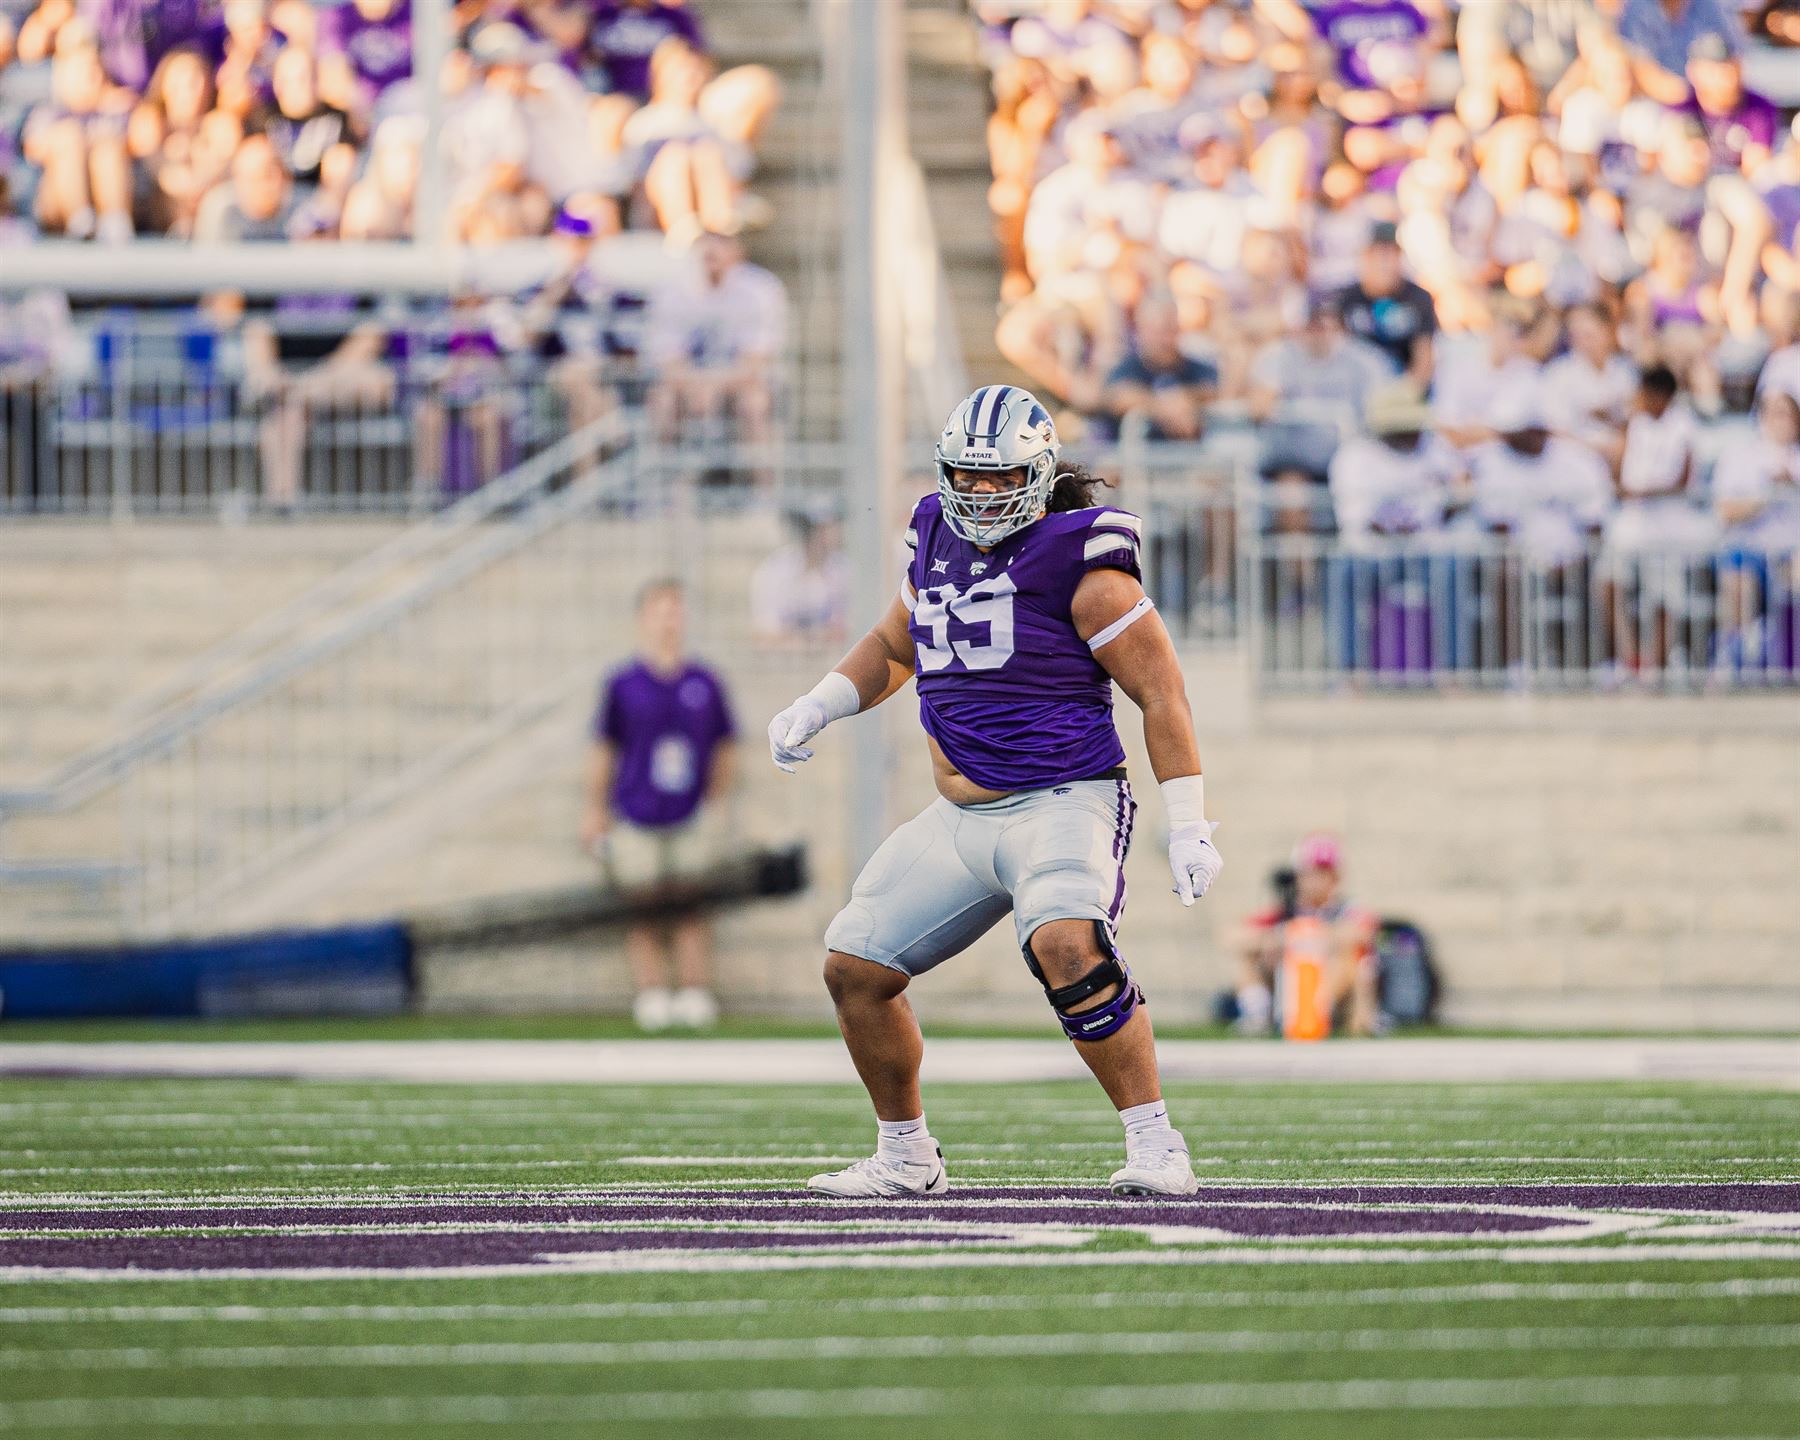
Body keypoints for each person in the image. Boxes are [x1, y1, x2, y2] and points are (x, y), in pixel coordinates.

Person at [767, 385, 1225, 1199]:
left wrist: (1189, 822)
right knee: (855, 963)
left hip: (1064, 798)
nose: (978, 495)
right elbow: (892, 643)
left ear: (1040, 474)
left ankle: (1157, 1145)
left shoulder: (1084, 566)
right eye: (965, 476)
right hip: (961, 815)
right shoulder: (935, 533)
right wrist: (820, 702)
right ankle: (906, 1156)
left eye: (998, 478)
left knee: (1065, 944)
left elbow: (1163, 695)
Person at [584, 579, 738, 1032]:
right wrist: (595, 808)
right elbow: (605, 748)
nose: (670, 619)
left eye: (676, 610)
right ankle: (652, 992)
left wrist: (714, 799)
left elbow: (724, 746)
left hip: (688, 810)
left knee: (690, 903)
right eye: (660, 610)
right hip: (635, 809)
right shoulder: (623, 683)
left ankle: (693, 990)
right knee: (643, 905)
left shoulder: (704, 682)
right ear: (643, 618)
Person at [1227, 832, 1380, 1038]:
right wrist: (1276, 940)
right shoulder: (1287, 911)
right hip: (1287, 985)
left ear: (1335, 879)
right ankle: (1258, 1015)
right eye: (1310, 874)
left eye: (1323, 874)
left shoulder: (1346, 910)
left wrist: (1307, 936)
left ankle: (1314, 1012)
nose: (1315, 881)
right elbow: (1235, 937)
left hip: (1334, 992)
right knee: (1251, 955)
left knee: (1348, 958)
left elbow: (1360, 933)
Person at [1712, 389, 1800, 673]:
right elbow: (1725, 510)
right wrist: (1768, 497)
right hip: (1748, 550)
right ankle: (1735, 661)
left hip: (1792, 552)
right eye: (1774, 413)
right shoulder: (1740, 457)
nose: (1780, 421)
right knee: (1738, 580)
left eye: (1786, 413)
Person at [1334, 221, 1438, 390]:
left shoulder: (1418, 298)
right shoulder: (1347, 299)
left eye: (1391, 254)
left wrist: (1402, 393)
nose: (1385, 262)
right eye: (1378, 254)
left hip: (1402, 388)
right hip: (1357, 388)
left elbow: (1424, 359)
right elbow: (1336, 355)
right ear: (1364, 257)